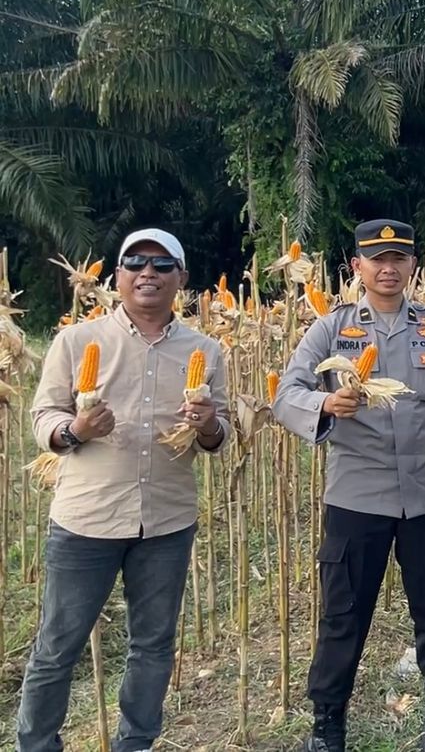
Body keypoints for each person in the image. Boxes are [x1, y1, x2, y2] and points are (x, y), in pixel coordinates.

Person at [273, 219, 425, 752]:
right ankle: (327, 724)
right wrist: (325, 402)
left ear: (413, 264)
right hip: (356, 496)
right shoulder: (330, 330)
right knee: (344, 614)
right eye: (377, 259)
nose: (388, 268)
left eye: (398, 258)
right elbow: (286, 394)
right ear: (357, 266)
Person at [18, 228, 232, 752]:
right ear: (118, 276)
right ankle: (37, 744)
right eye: (135, 263)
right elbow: (43, 415)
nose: (148, 273)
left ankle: (135, 743)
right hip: (86, 520)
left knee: (153, 645)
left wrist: (207, 424)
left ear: (181, 278)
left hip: (166, 522)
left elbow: (219, 433)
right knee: (57, 647)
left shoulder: (205, 350)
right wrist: (76, 430)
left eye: (162, 265)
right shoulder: (76, 341)